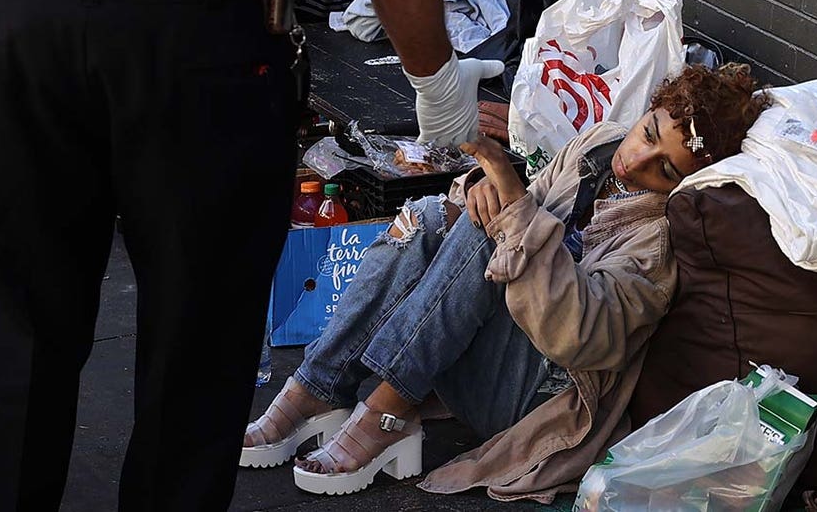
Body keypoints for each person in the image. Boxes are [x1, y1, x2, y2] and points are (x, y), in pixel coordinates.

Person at [0, 0, 504, 510]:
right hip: (199, 36)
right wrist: (437, 85)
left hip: (16, 11)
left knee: (12, 358)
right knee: (195, 359)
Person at [241, 63, 772, 500]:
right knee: (431, 216)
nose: (637, 160)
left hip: (536, 394)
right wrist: (477, 184)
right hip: (478, 343)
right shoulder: (601, 144)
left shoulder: (658, 243)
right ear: (645, 112)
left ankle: (386, 412)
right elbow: (520, 199)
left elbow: (580, 339)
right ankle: (317, 388)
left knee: (496, 229)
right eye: (648, 133)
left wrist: (508, 202)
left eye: (666, 171)